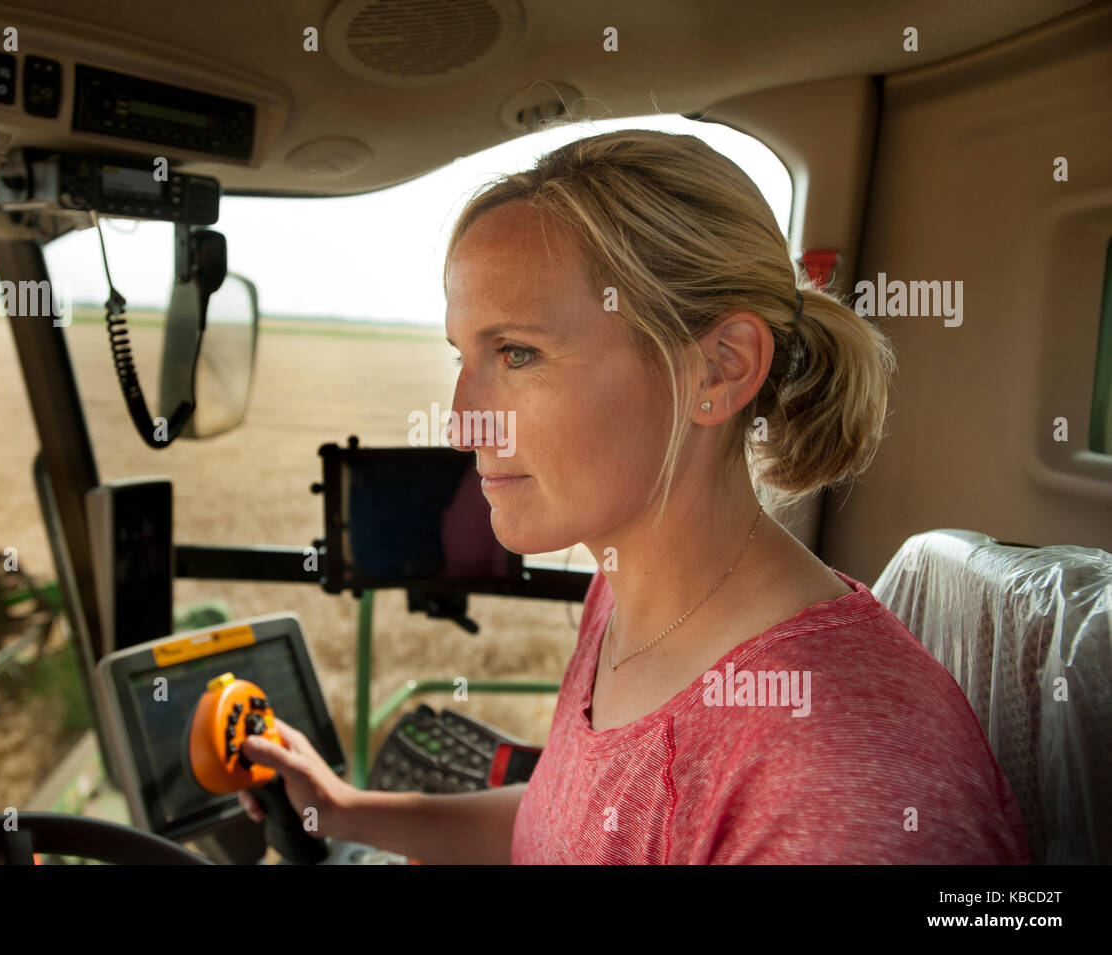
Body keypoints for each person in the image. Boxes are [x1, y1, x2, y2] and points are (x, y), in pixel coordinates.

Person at [238, 129, 1031, 864]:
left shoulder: (837, 788)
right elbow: (568, 825)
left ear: (718, 368)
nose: (459, 423)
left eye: (518, 352)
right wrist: (343, 811)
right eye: (463, 353)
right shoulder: (621, 595)